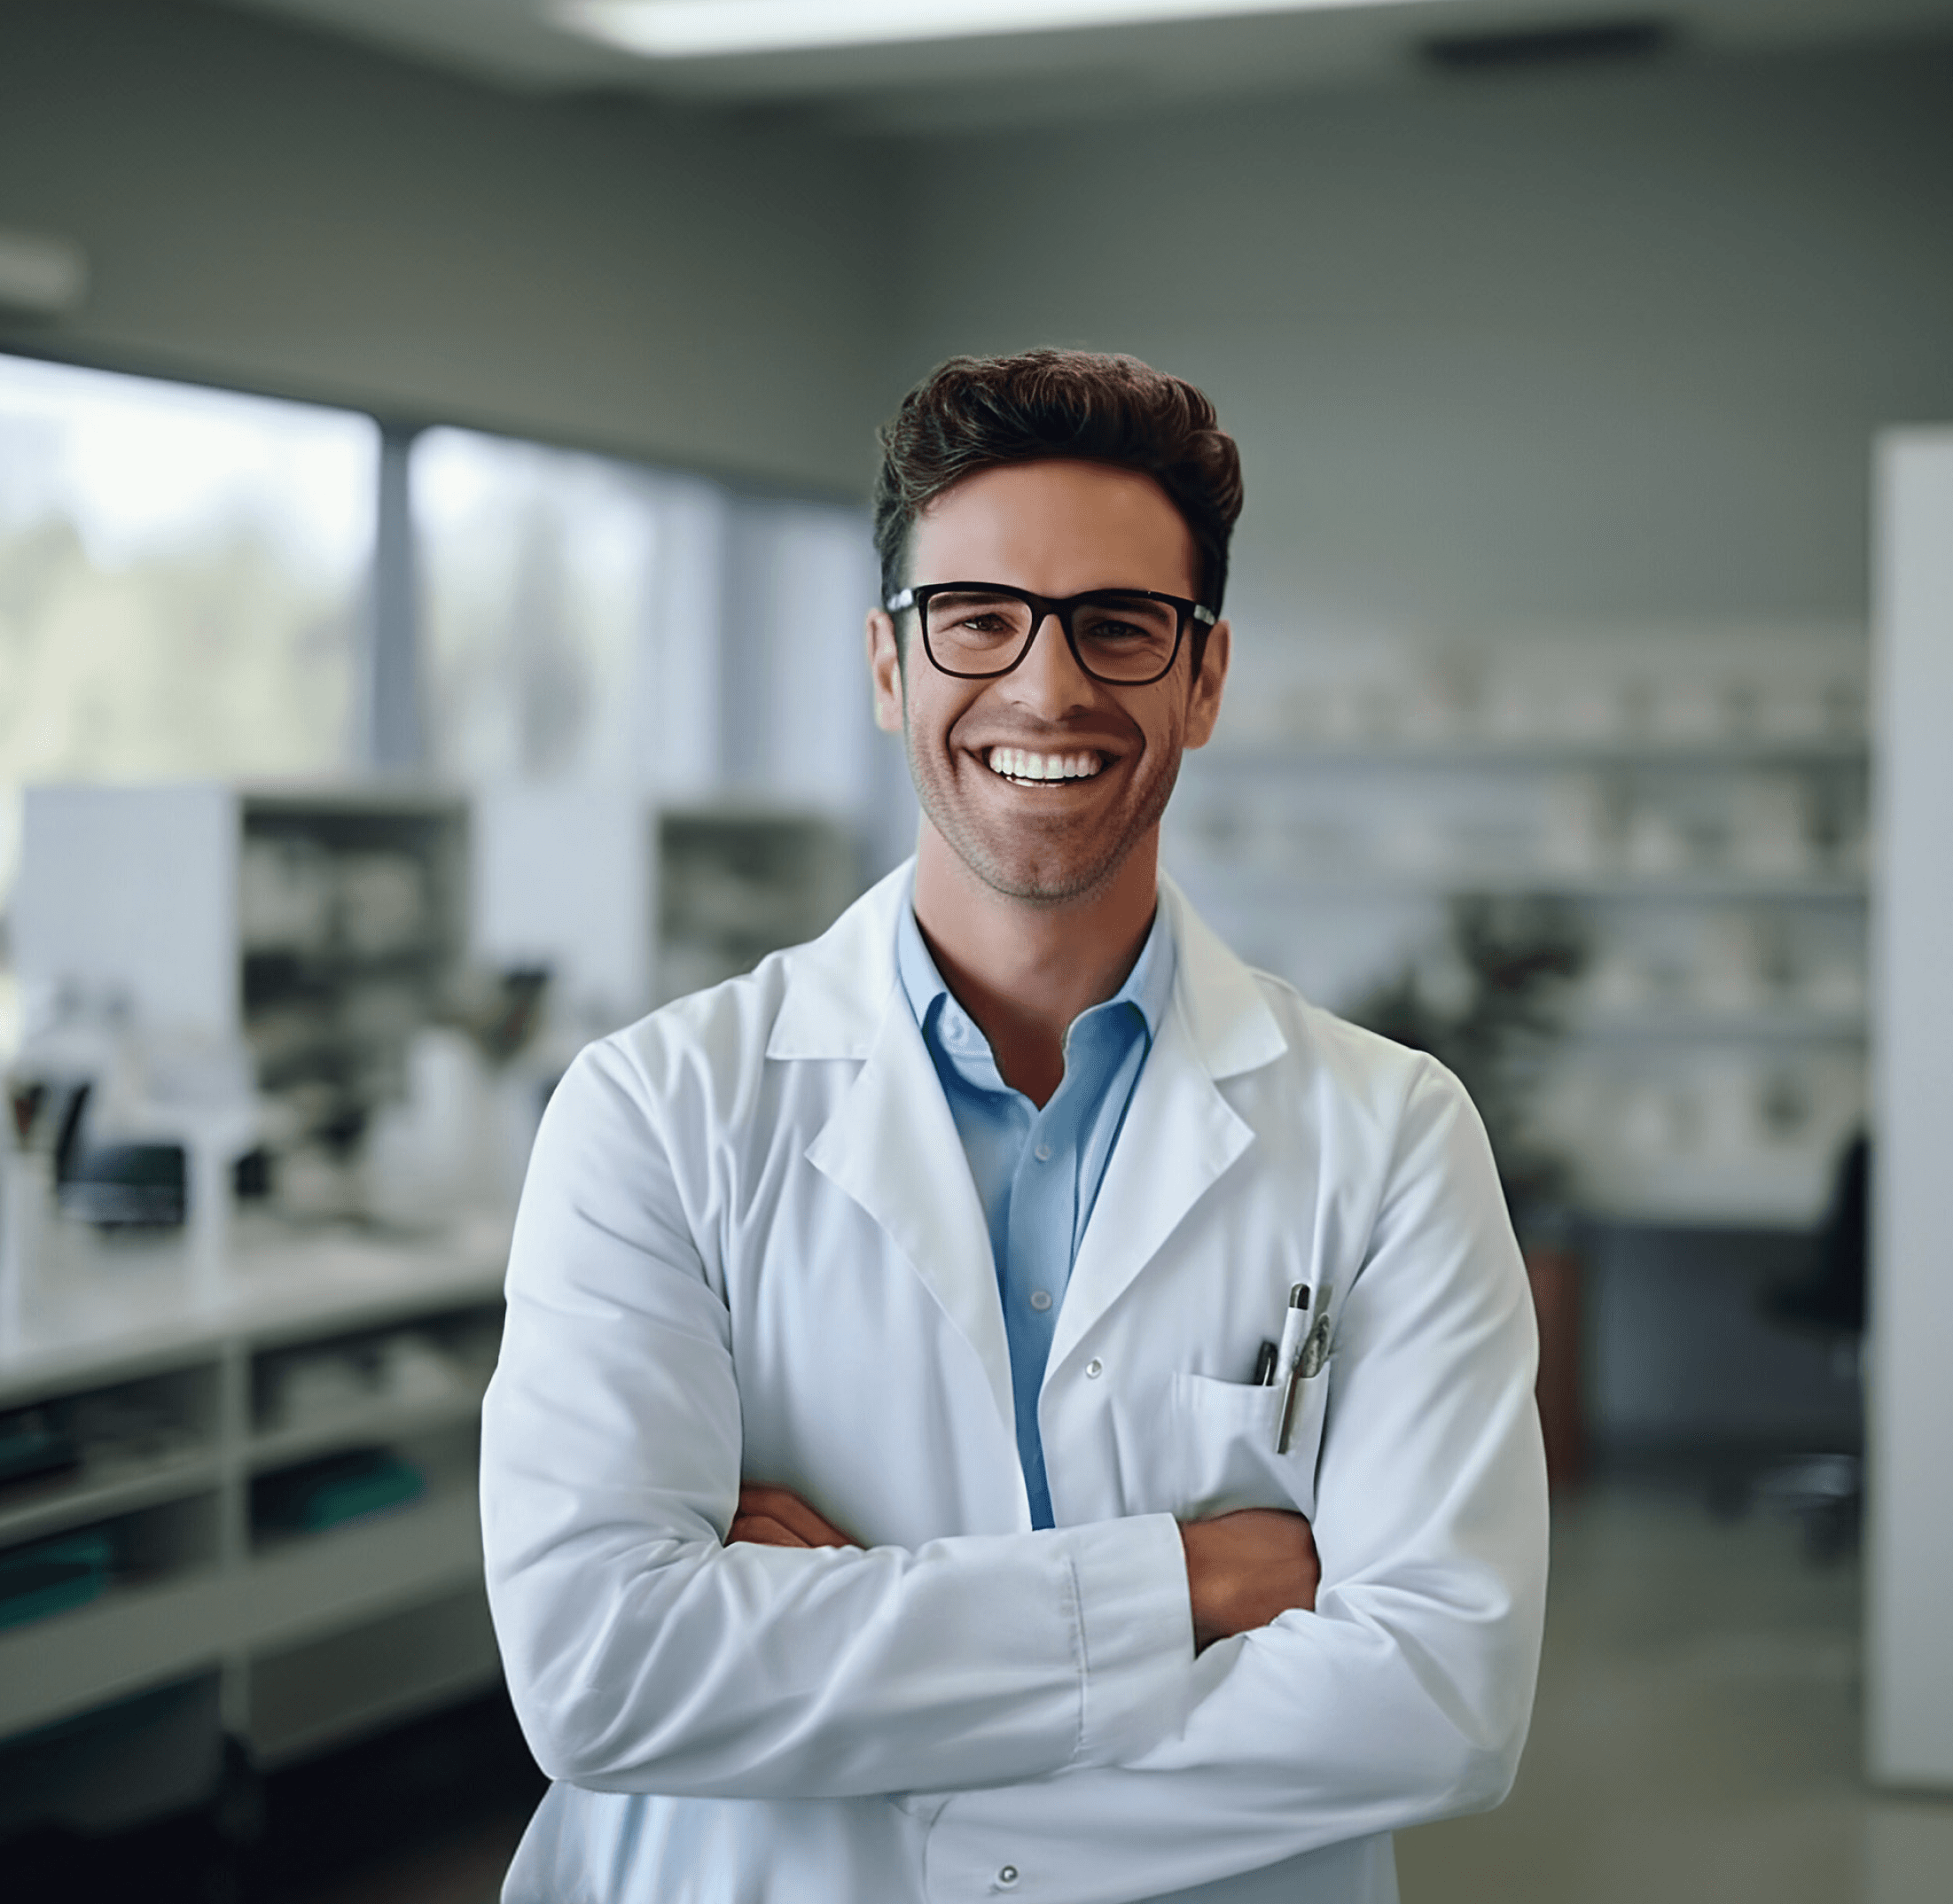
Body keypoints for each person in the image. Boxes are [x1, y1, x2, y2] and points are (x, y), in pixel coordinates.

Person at [480, 348, 1549, 1904]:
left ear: (1202, 676)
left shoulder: (1386, 1132)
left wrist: (873, 1752)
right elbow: (604, 1674)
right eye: (977, 619)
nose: (1045, 688)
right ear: (886, 666)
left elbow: (1439, 1698)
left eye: (1118, 626)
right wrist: (1192, 1579)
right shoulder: (659, 1111)